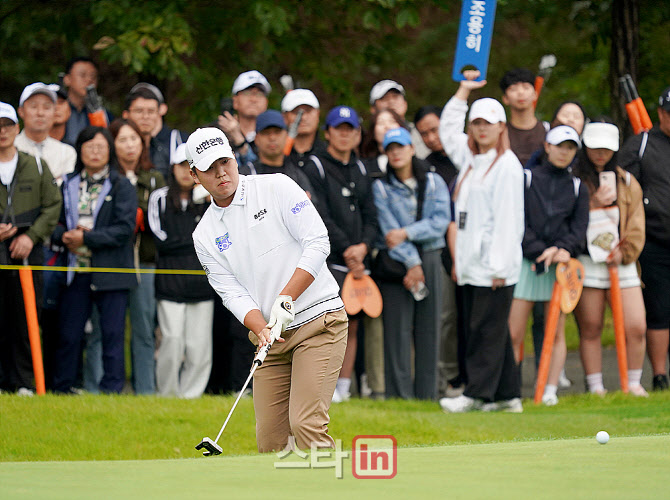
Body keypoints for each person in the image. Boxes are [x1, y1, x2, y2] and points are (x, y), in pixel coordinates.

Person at [189, 127, 347, 452]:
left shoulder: (276, 186)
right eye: (209, 168)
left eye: (225, 162)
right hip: (271, 339)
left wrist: (285, 297)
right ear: (194, 174)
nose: (221, 173)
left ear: (234, 158)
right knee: (271, 443)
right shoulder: (204, 234)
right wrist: (261, 328)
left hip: (319, 322)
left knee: (306, 423)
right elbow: (231, 292)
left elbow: (318, 242)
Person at [437, 70, 524, 413]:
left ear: (502, 126)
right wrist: (463, 91)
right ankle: (508, 395)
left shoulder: (507, 167)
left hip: (494, 267)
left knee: (483, 331)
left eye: (488, 123)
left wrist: (499, 267)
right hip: (472, 264)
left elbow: (508, 221)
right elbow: (447, 130)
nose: (481, 128)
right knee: (491, 329)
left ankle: (477, 394)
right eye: (476, 123)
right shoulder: (472, 159)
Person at [507, 125, 589, 406]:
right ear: (547, 146)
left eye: (570, 147)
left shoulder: (578, 187)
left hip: (559, 268)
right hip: (528, 263)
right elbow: (518, 221)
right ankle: (511, 388)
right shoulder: (527, 178)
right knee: (514, 330)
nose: (564, 152)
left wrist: (562, 249)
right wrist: (540, 250)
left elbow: (578, 229)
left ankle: (550, 389)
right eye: (560, 145)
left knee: (555, 333)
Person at [51, 126, 136, 394]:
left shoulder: (122, 184)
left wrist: (87, 239)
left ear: (109, 150)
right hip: (75, 271)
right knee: (69, 334)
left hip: (111, 272)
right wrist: (64, 236)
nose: (95, 152)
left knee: (112, 335)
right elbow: (52, 221)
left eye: (101, 146)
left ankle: (112, 391)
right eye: (89, 146)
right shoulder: (67, 183)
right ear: (80, 150)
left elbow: (125, 230)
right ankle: (62, 389)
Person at [303, 105, 379, 403]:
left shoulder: (361, 168)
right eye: (339, 129)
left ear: (359, 134)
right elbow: (318, 214)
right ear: (328, 133)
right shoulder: (316, 166)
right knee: (327, 325)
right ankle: (325, 386)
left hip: (358, 262)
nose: (345, 135)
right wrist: (348, 248)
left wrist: (364, 247)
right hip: (329, 261)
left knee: (353, 325)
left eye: (351, 129)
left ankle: (344, 388)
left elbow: (372, 216)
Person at [372, 127, 450, 399]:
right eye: (390, 148)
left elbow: (439, 223)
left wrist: (407, 233)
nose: (395, 153)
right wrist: (411, 261)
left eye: (400, 147)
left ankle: (427, 395)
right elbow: (387, 230)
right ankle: (399, 396)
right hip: (396, 263)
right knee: (397, 330)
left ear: (412, 149)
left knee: (429, 327)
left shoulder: (433, 181)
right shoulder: (380, 186)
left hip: (429, 257)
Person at [573, 120, 647, 396]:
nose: (600, 154)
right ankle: (595, 387)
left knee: (636, 324)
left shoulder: (628, 181)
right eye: (595, 148)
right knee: (590, 325)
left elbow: (637, 224)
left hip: (621, 262)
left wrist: (624, 252)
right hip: (588, 260)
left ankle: (634, 382)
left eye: (606, 148)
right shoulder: (574, 180)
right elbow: (569, 219)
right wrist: (592, 204)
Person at [0, 102, 61, 395]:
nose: (2, 131)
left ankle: (25, 382)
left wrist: (31, 236)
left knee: (26, 317)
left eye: (7, 125)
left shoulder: (34, 163)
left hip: (27, 249)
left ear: (16, 127)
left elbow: (52, 205)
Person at [148, 143, 213, 398]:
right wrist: (194, 242)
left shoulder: (211, 199)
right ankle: (167, 393)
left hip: (203, 285)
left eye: (192, 166)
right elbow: (161, 241)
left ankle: (191, 396)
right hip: (169, 283)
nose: (187, 171)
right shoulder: (160, 197)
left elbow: (218, 240)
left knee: (199, 346)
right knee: (172, 341)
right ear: (172, 168)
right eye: (181, 165)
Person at [109, 117, 166, 394]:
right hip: (110, 263)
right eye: (122, 139)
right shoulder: (107, 177)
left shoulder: (154, 177)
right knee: (107, 328)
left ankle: (145, 389)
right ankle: (106, 387)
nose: (129, 145)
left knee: (144, 328)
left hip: (145, 260)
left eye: (134, 139)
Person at [619, 86, 670, 391]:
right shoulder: (641, 144)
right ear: (661, 113)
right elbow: (623, 185)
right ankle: (660, 375)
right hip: (654, 242)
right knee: (659, 309)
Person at [414, 104, 461, 397]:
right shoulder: (425, 167)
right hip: (443, 251)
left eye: (435, 129)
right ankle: (449, 378)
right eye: (425, 133)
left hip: (478, 248)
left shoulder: (466, 155)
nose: (432, 137)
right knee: (447, 318)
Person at [239, 110, 315, 198]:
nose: (272, 138)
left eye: (277, 132)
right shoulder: (246, 175)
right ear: (256, 139)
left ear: (286, 136)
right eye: (266, 133)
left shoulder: (298, 176)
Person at [122, 83, 188, 179]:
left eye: (151, 111)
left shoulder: (164, 148)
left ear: (160, 112)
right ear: (126, 114)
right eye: (139, 111)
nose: (145, 117)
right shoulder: (112, 146)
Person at [14, 83, 76, 182]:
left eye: (47, 107)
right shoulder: (8, 148)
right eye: (34, 107)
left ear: (54, 111)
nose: (40, 113)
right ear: (21, 111)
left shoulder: (66, 153)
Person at [369, 79, 430, 159]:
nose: (391, 101)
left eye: (395, 97)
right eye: (384, 98)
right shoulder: (366, 142)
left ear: (405, 104)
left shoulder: (422, 132)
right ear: (373, 109)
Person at [217, 70, 270, 160]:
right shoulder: (217, 134)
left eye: (259, 94)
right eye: (247, 93)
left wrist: (239, 139)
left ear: (266, 102)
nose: (253, 99)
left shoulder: (275, 134)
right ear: (235, 100)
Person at [62, 57, 112, 146]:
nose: (89, 80)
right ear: (67, 79)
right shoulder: (56, 110)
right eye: (82, 75)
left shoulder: (102, 114)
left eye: (93, 76)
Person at [281, 89, 327, 168]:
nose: (303, 117)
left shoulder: (329, 154)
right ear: (284, 117)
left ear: (318, 114)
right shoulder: (275, 155)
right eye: (296, 112)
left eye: (308, 111)